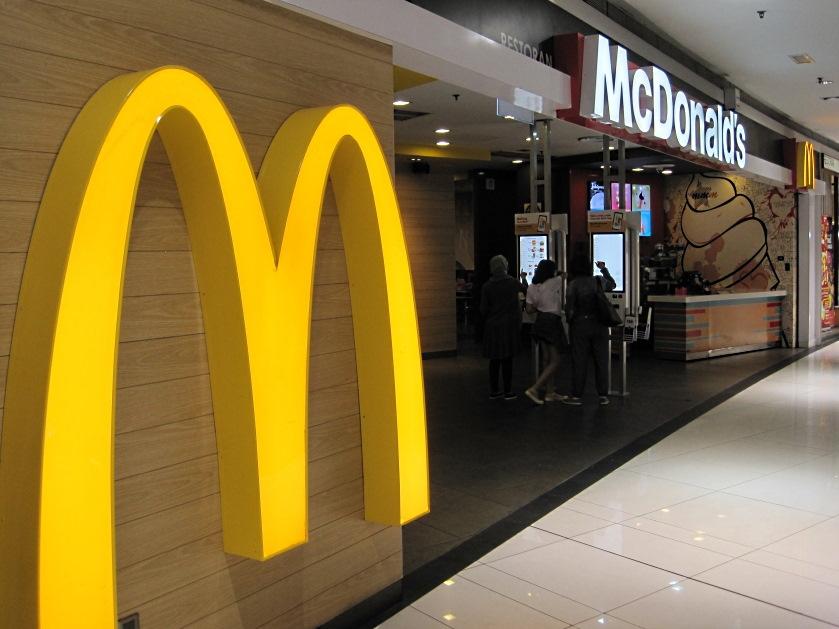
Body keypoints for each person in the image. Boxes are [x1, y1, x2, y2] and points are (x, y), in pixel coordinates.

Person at [563, 255, 616, 406]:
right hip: (600, 325)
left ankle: (577, 396)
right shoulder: (598, 280)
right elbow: (613, 284)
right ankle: (603, 395)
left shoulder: (573, 284)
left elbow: (569, 308)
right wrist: (604, 269)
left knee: (579, 360)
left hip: (580, 326)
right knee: (601, 360)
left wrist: (570, 321)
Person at [524, 259, 567, 405]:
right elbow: (564, 275)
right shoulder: (553, 282)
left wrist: (540, 305)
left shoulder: (531, 287)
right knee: (555, 360)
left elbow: (529, 309)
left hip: (540, 321)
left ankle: (550, 393)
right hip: (552, 322)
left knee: (546, 359)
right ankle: (534, 389)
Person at [480, 255, 521, 400]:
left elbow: (483, 309)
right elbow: (526, 291)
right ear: (505, 266)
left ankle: (494, 390)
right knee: (507, 359)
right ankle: (508, 391)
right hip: (509, 326)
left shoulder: (487, 286)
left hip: (492, 326)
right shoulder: (513, 282)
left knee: (494, 359)